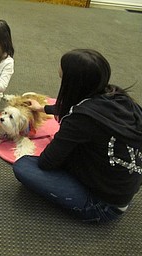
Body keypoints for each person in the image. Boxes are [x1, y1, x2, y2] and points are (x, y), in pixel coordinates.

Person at [13, 49, 142, 223]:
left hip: (103, 206)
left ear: (73, 84)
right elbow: (77, 107)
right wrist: (44, 109)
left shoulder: (80, 118)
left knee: (24, 166)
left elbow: (47, 162)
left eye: (62, 77)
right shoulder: (119, 97)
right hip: (123, 188)